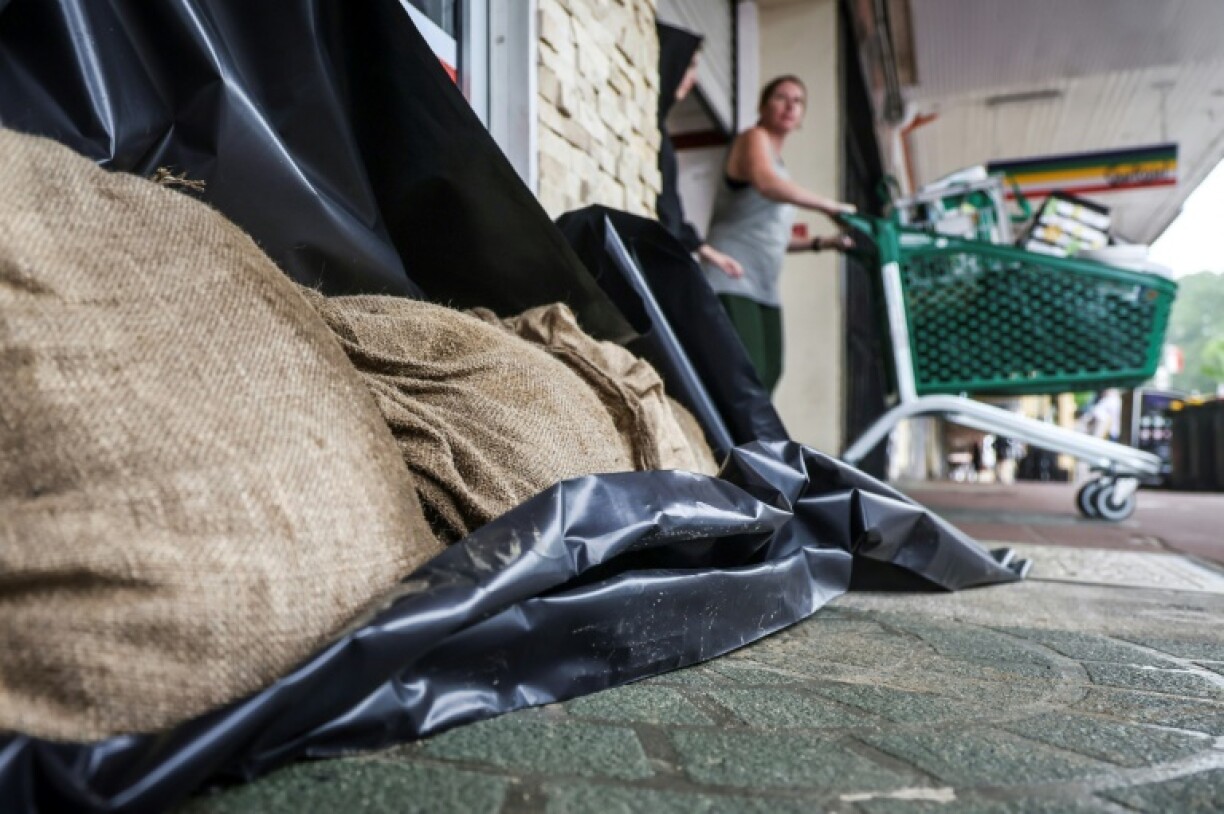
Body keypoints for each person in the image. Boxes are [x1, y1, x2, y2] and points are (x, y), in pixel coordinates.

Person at [700, 74, 855, 394]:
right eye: (781, 97)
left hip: (764, 283)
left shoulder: (783, 168)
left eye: (798, 101)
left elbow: (772, 235)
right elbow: (767, 184)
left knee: (770, 372)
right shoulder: (753, 139)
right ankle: (723, 443)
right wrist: (828, 207)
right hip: (732, 271)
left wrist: (821, 243)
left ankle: (743, 442)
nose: (790, 106)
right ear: (762, 105)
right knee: (745, 372)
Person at [655, 22, 744, 279]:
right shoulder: (647, 130)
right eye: (690, 65)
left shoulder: (659, 131)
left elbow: (671, 210)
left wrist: (708, 252)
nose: (693, 77)